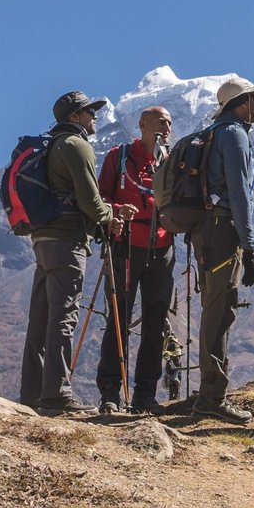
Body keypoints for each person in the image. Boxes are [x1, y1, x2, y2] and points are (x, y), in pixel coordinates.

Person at [20, 90, 114, 415]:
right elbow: (90, 201)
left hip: (42, 239)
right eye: (90, 112)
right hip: (68, 240)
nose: (95, 117)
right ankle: (57, 394)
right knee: (64, 315)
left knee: (41, 317)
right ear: (75, 117)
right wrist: (110, 215)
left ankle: (32, 393)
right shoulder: (77, 146)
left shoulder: (49, 146)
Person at [192, 76, 254, 423]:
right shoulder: (234, 134)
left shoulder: (213, 133)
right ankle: (211, 396)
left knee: (215, 306)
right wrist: (250, 247)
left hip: (208, 229)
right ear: (241, 103)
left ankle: (211, 392)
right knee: (220, 309)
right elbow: (240, 192)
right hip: (224, 231)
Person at [94, 106, 177, 414]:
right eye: (160, 121)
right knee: (119, 320)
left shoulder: (170, 161)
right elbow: (100, 197)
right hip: (125, 246)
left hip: (162, 249)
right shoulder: (120, 157)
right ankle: (111, 393)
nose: (166, 126)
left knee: (156, 323)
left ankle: (145, 395)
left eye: (169, 122)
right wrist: (117, 211)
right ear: (142, 123)